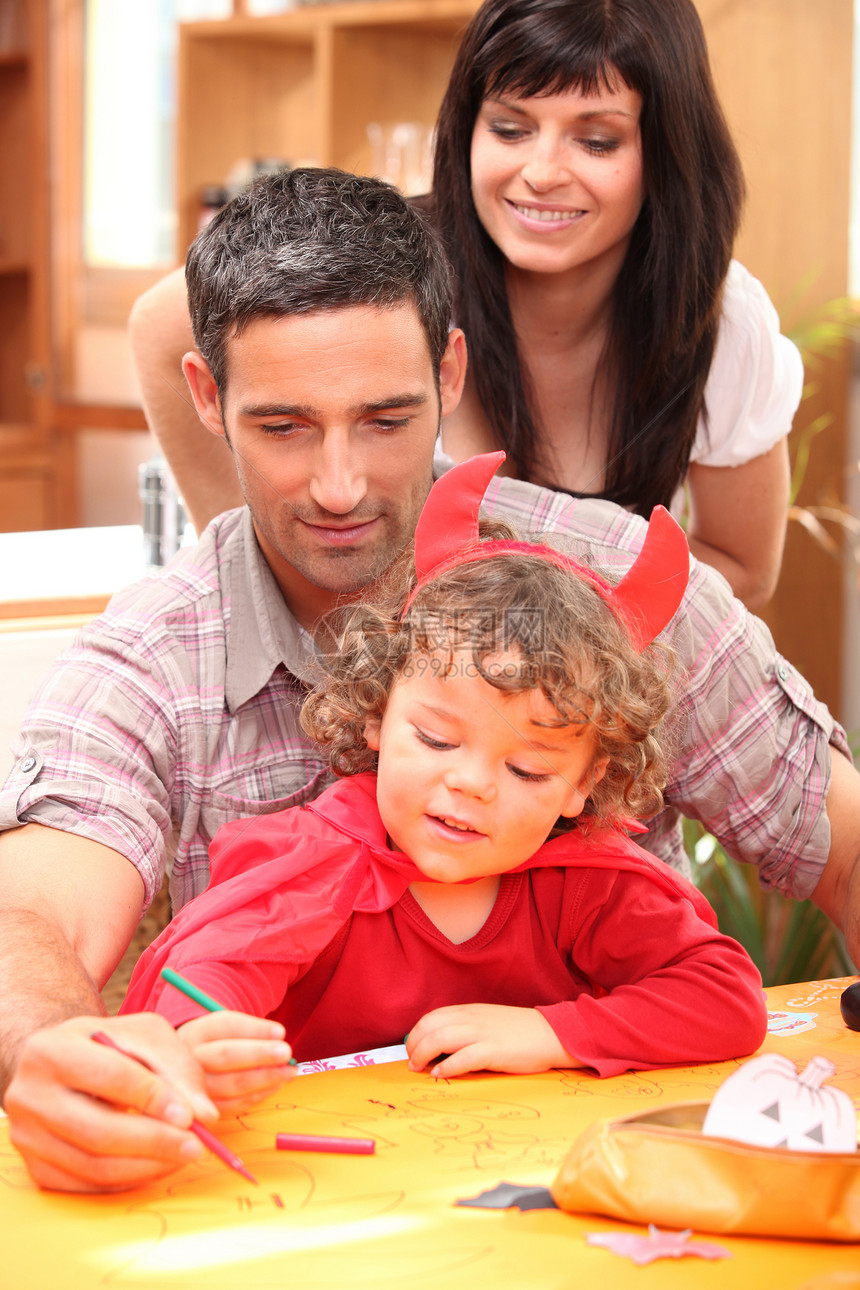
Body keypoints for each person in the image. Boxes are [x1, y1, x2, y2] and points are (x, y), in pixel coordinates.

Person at [0, 169, 856, 1195]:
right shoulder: (156, 650)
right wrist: (50, 1054)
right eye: (282, 428)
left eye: (385, 418)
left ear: (449, 374)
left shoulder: (610, 584)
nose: (339, 486)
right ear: (205, 396)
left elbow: (841, 845)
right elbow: (34, 916)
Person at [122, 452, 767, 1089]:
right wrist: (198, 1038)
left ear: (584, 783)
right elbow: (213, 967)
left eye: (527, 771)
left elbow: (727, 1000)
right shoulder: (322, 862)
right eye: (435, 739)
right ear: (377, 713)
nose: (472, 784)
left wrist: (553, 1035)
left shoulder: (584, 884)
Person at [129, 0, 799, 610]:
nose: (541, 172)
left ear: (667, 152)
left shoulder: (719, 317)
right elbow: (161, 325)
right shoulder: (391, 269)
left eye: (596, 140)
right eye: (510, 129)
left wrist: (564, 635)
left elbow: (744, 566)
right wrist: (270, 575)